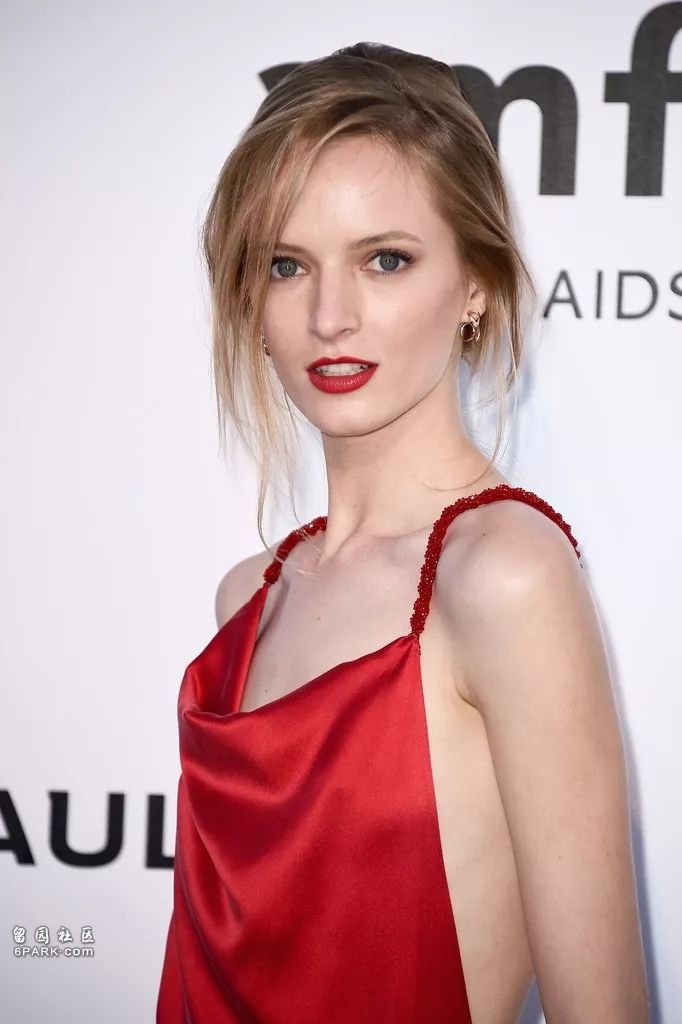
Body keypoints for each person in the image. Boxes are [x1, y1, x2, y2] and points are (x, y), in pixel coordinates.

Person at [156, 41, 649, 1024]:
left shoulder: (504, 577)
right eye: (286, 265)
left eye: (385, 259)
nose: (330, 316)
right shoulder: (248, 596)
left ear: (476, 285)